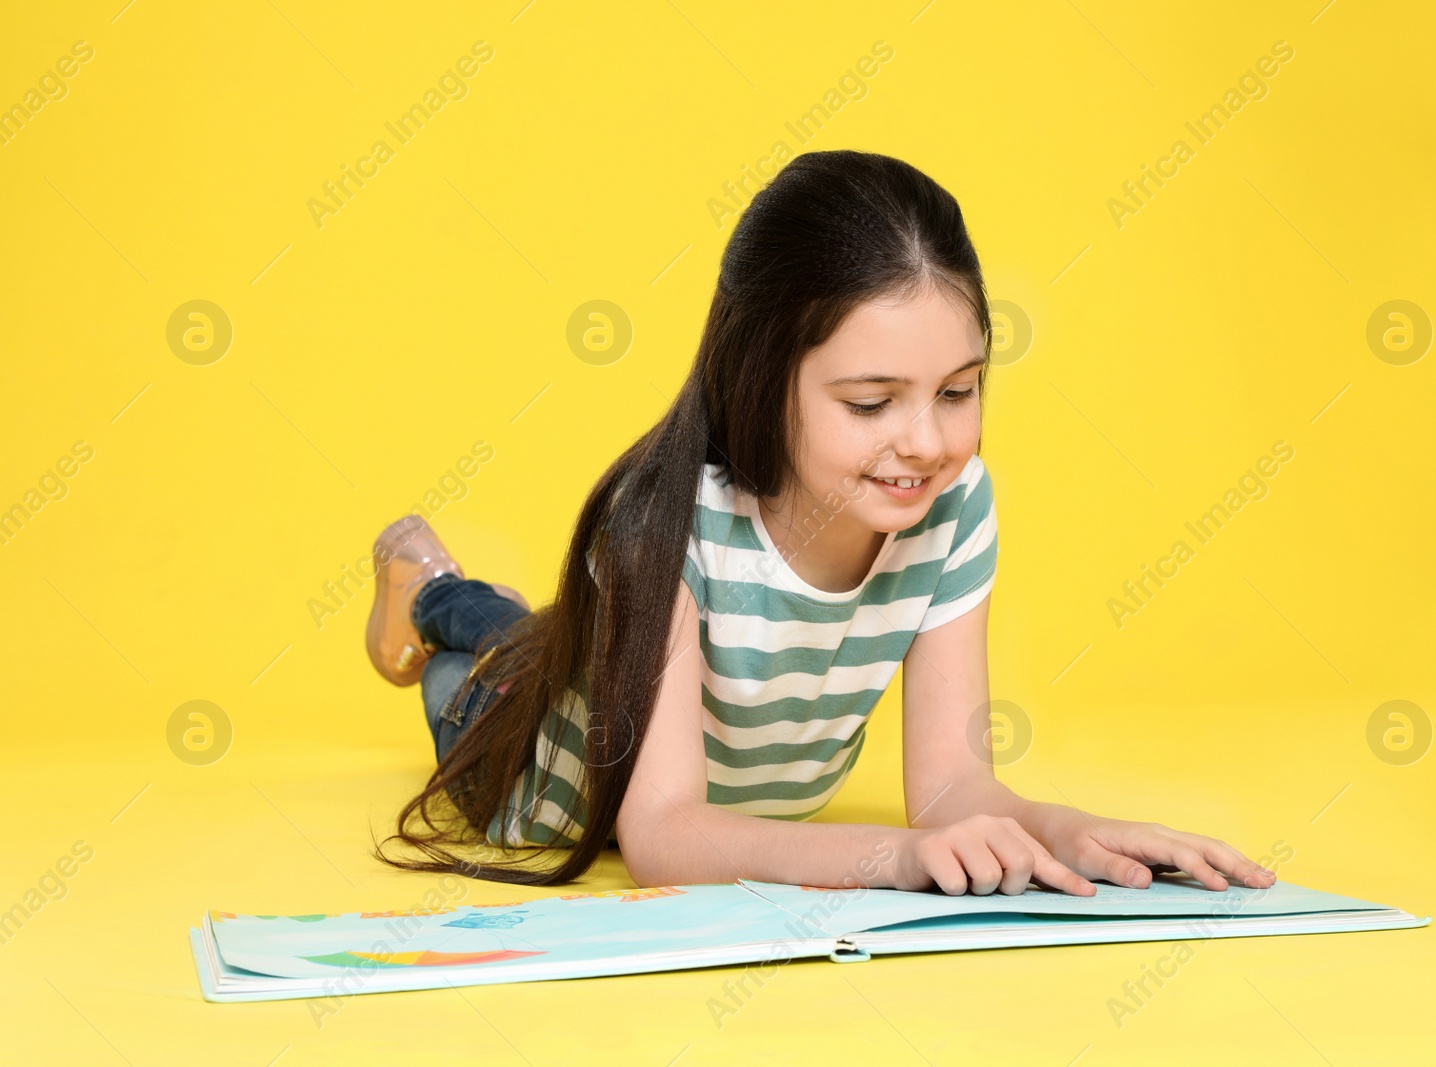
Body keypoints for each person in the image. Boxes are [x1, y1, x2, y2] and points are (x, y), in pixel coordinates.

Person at [368, 149, 1278, 898]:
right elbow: (663, 836)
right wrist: (892, 862)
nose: (925, 442)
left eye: (959, 391)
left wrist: (1070, 830)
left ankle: (491, 611)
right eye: (872, 401)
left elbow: (955, 786)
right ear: (765, 375)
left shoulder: (954, 509)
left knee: (550, 633)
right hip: (527, 750)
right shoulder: (661, 528)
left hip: (639, 690)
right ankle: (430, 585)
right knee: (489, 667)